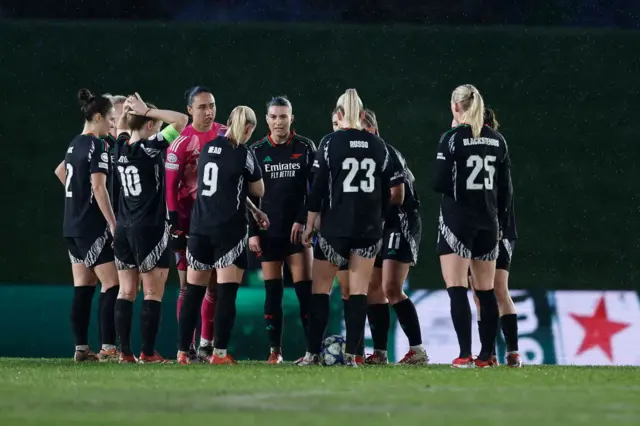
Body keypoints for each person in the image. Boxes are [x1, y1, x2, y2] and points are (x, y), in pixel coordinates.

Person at [297, 89, 402, 367]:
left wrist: (309, 226)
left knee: (320, 290)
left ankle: (311, 354)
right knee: (358, 293)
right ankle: (352, 356)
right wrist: (378, 221)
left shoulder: (330, 143)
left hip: (335, 227)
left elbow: (317, 190)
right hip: (367, 229)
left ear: (339, 115)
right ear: (364, 115)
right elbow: (386, 193)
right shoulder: (379, 146)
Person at [432, 85, 513, 369]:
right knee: (486, 290)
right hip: (489, 222)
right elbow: (505, 190)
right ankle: (485, 357)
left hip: (458, 219)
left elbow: (438, 182)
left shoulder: (452, 138)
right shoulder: (498, 140)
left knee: (456, 288)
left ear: (456, 107)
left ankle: (464, 354)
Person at [176, 106, 263, 365]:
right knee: (226, 294)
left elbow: (219, 187)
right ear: (248, 128)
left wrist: (253, 209)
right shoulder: (243, 152)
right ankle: (220, 354)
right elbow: (258, 188)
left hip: (200, 228)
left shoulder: (208, 148)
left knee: (193, 292)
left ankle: (182, 352)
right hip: (228, 230)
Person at [112, 93, 188, 364]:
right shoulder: (150, 147)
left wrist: (128, 115)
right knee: (152, 292)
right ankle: (147, 352)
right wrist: (148, 112)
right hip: (150, 227)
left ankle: (124, 353)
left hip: (123, 227)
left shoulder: (118, 148)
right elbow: (182, 120)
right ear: (147, 126)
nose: (157, 128)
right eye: (153, 124)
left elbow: (123, 128)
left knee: (125, 292)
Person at [247, 96, 315, 363]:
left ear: (291, 118)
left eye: (283, 116)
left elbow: (316, 191)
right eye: (274, 117)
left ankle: (312, 351)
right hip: (269, 233)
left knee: (304, 293)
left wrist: (303, 220)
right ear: (267, 119)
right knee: (273, 293)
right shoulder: (256, 150)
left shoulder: (306, 147)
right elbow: (249, 196)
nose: (278, 122)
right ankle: (275, 351)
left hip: (297, 233)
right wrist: (253, 231)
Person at [54, 88, 119, 362]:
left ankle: (81, 348)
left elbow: (60, 171)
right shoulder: (98, 145)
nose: (112, 124)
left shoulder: (75, 143)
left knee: (83, 286)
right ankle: (109, 348)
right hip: (90, 228)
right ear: (97, 116)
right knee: (113, 284)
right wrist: (113, 224)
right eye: (110, 119)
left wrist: (78, 198)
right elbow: (98, 186)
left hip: (71, 226)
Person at [360, 109, 428, 365]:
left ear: (374, 130)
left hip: (399, 222)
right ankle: (379, 353)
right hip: (380, 224)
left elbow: (398, 195)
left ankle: (418, 350)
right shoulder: (362, 155)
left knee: (391, 287)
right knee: (373, 290)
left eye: (366, 130)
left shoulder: (386, 152)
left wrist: (373, 217)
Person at [165, 86, 227, 361]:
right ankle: (185, 346)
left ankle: (206, 343)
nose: (209, 111)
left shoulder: (225, 135)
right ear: (189, 110)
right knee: (189, 287)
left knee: (214, 286)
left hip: (218, 223)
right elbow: (170, 188)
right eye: (202, 107)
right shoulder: (181, 143)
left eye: (211, 105)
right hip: (189, 225)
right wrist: (175, 223)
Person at [470, 107, 523, 368]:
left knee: (496, 289)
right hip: (486, 229)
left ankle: (512, 352)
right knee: (481, 293)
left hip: (497, 229)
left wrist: (500, 224)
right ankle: (488, 353)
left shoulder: (494, 153)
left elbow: (505, 194)